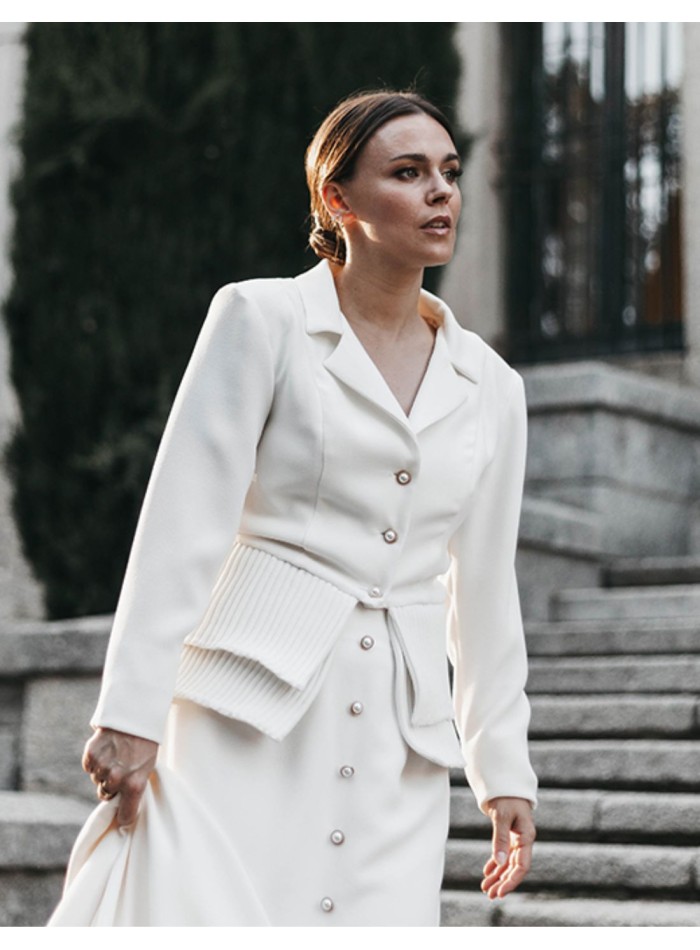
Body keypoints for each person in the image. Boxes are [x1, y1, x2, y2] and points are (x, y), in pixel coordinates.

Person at [48, 89, 537, 927]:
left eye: (450, 172)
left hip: (400, 742)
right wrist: (129, 711)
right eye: (408, 172)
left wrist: (505, 772)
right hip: (245, 716)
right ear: (337, 199)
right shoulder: (261, 319)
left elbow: (486, 593)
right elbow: (182, 523)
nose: (440, 192)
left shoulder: (492, 387)